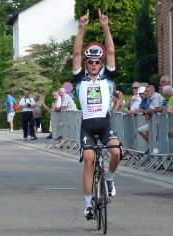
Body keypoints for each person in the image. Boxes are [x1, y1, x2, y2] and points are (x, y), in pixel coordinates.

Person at [73, 9, 122, 219]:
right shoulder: (80, 80)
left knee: (117, 152)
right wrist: (81, 28)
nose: (94, 65)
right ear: (86, 64)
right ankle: (88, 205)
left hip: (104, 124)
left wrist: (105, 26)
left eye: (97, 62)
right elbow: (76, 53)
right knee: (89, 161)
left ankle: (109, 178)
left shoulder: (107, 79)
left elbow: (111, 52)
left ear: (101, 64)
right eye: (90, 62)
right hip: (87, 126)